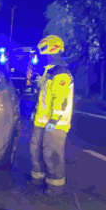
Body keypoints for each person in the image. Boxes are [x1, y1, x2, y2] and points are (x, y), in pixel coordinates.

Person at [30, 34, 74, 197]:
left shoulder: (61, 73)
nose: (45, 57)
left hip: (56, 123)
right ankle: (38, 179)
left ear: (54, 51)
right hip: (41, 120)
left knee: (52, 154)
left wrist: (54, 120)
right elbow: (44, 97)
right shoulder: (49, 71)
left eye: (46, 54)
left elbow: (60, 101)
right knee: (35, 149)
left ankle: (55, 186)